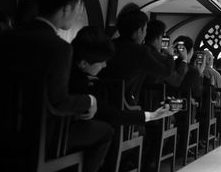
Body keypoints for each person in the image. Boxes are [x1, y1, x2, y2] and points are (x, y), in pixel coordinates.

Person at [0, 0, 112, 172]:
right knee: (105, 131)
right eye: (78, 8)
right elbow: (58, 102)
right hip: (34, 138)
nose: (78, 14)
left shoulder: (1, 39)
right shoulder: (59, 48)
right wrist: (89, 101)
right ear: (66, 9)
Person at [69, 26, 176, 171]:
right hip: (63, 133)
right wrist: (152, 115)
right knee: (107, 131)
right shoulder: (79, 83)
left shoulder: (77, 74)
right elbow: (109, 114)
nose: (105, 65)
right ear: (83, 63)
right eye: (101, 61)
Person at [99, 7, 170, 104]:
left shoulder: (109, 44)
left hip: (100, 98)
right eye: (145, 30)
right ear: (139, 31)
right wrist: (170, 56)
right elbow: (166, 72)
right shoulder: (140, 51)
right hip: (125, 103)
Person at [142, 20, 188, 87]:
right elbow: (176, 81)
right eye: (163, 37)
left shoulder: (139, 50)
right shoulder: (162, 59)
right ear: (159, 37)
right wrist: (184, 59)